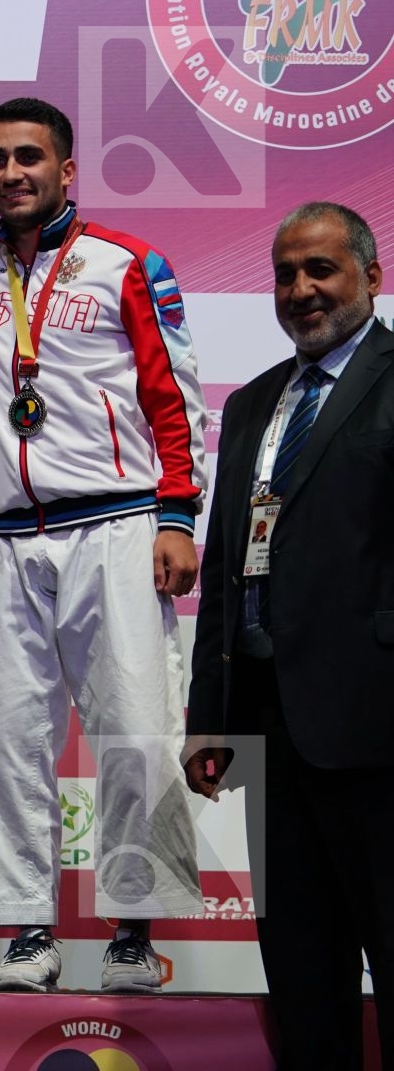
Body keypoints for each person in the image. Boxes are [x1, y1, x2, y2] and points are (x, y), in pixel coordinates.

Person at [0, 97, 206, 992]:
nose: (11, 172)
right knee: (0, 733)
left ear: (65, 169)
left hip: (116, 520)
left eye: (29, 156)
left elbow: (174, 394)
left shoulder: (126, 263)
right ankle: (28, 929)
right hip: (9, 531)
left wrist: (178, 514)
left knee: (137, 725)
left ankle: (134, 929)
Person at [186, 202, 391, 1068]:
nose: (301, 289)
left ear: (370, 277)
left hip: (378, 727)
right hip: (271, 724)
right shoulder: (251, 405)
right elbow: (227, 565)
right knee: (304, 977)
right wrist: (210, 717)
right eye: (284, 274)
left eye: (321, 270)